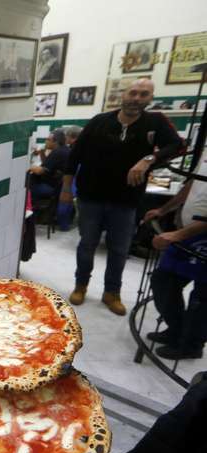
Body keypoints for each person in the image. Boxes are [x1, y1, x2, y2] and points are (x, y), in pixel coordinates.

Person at [61, 78, 184, 315]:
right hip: (90, 198)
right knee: (87, 245)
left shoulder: (155, 123)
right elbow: (74, 157)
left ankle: (112, 293)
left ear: (150, 98)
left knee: (119, 249)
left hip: (126, 201)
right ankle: (81, 285)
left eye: (144, 94)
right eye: (133, 93)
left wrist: (149, 159)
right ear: (123, 95)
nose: (137, 98)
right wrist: (66, 191)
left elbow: (178, 146)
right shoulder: (100, 122)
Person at [143, 164, 207, 360]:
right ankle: (177, 330)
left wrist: (179, 234)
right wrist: (164, 209)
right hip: (190, 233)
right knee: (164, 280)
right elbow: (192, 185)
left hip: (196, 235)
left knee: (203, 298)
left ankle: (191, 344)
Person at [28, 129, 69, 202]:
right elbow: (47, 165)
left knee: (26, 184)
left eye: (48, 139)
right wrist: (42, 153)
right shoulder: (63, 149)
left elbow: (40, 171)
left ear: (55, 142)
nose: (45, 141)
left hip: (52, 187)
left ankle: (33, 207)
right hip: (58, 185)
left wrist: (27, 166)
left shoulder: (57, 152)